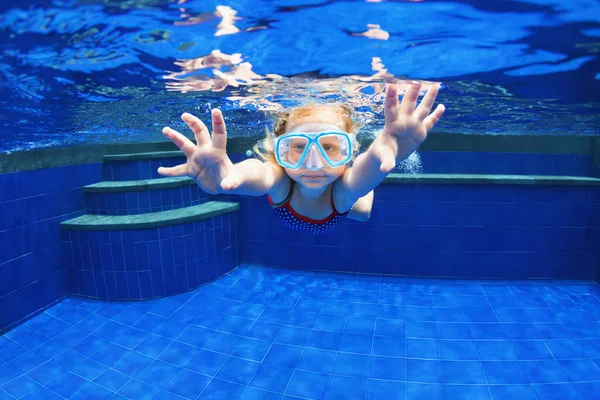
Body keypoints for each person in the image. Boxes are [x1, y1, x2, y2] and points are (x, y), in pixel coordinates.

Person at [158, 83, 445, 234]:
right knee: (357, 187)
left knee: (362, 197)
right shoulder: (280, 177)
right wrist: (227, 176)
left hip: (344, 200)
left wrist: (393, 147)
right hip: (330, 203)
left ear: (349, 149)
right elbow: (258, 174)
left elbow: (360, 178)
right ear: (278, 151)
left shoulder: (344, 188)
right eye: (297, 147)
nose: (313, 163)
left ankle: (370, 156)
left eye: (330, 147)